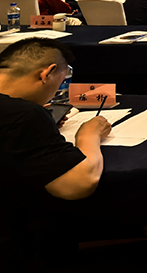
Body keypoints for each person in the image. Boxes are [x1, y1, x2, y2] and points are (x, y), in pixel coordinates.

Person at [0, 37, 111, 270]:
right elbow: (77, 184)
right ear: (47, 74)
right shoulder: (24, 116)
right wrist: (89, 135)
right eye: (60, 83)